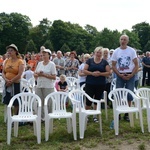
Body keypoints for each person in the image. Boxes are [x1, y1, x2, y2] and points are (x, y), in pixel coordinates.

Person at [111, 34, 138, 121]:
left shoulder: (131, 51)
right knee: (118, 94)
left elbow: (136, 64)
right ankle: (118, 112)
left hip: (130, 74)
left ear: (127, 41)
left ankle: (127, 113)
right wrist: (119, 74)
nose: (123, 41)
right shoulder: (116, 51)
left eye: (124, 40)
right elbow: (113, 65)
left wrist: (132, 74)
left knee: (129, 94)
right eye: (121, 39)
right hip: (120, 75)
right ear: (119, 40)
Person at [83, 46, 110, 122]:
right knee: (88, 100)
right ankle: (86, 115)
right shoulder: (90, 61)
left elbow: (108, 73)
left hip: (100, 84)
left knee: (97, 100)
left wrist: (100, 74)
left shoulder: (104, 62)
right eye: (97, 52)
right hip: (90, 83)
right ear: (95, 53)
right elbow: (84, 70)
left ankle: (95, 116)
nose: (98, 54)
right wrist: (92, 73)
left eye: (100, 53)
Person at [34, 49, 56, 121]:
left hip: (48, 86)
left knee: (48, 102)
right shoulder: (39, 63)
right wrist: (37, 74)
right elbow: (35, 73)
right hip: (39, 85)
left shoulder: (52, 64)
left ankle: (49, 116)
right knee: (39, 102)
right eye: (42, 55)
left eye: (45, 54)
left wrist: (44, 75)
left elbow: (54, 77)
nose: (43, 56)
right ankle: (40, 117)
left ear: (49, 55)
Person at [2, 44, 25, 115]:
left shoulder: (20, 61)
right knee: (8, 100)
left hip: (16, 83)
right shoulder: (6, 61)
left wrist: (11, 81)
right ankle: (9, 116)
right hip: (7, 83)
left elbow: (20, 74)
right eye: (8, 50)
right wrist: (6, 80)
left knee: (16, 101)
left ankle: (15, 116)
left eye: (11, 50)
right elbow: (3, 72)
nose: (9, 52)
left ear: (15, 51)